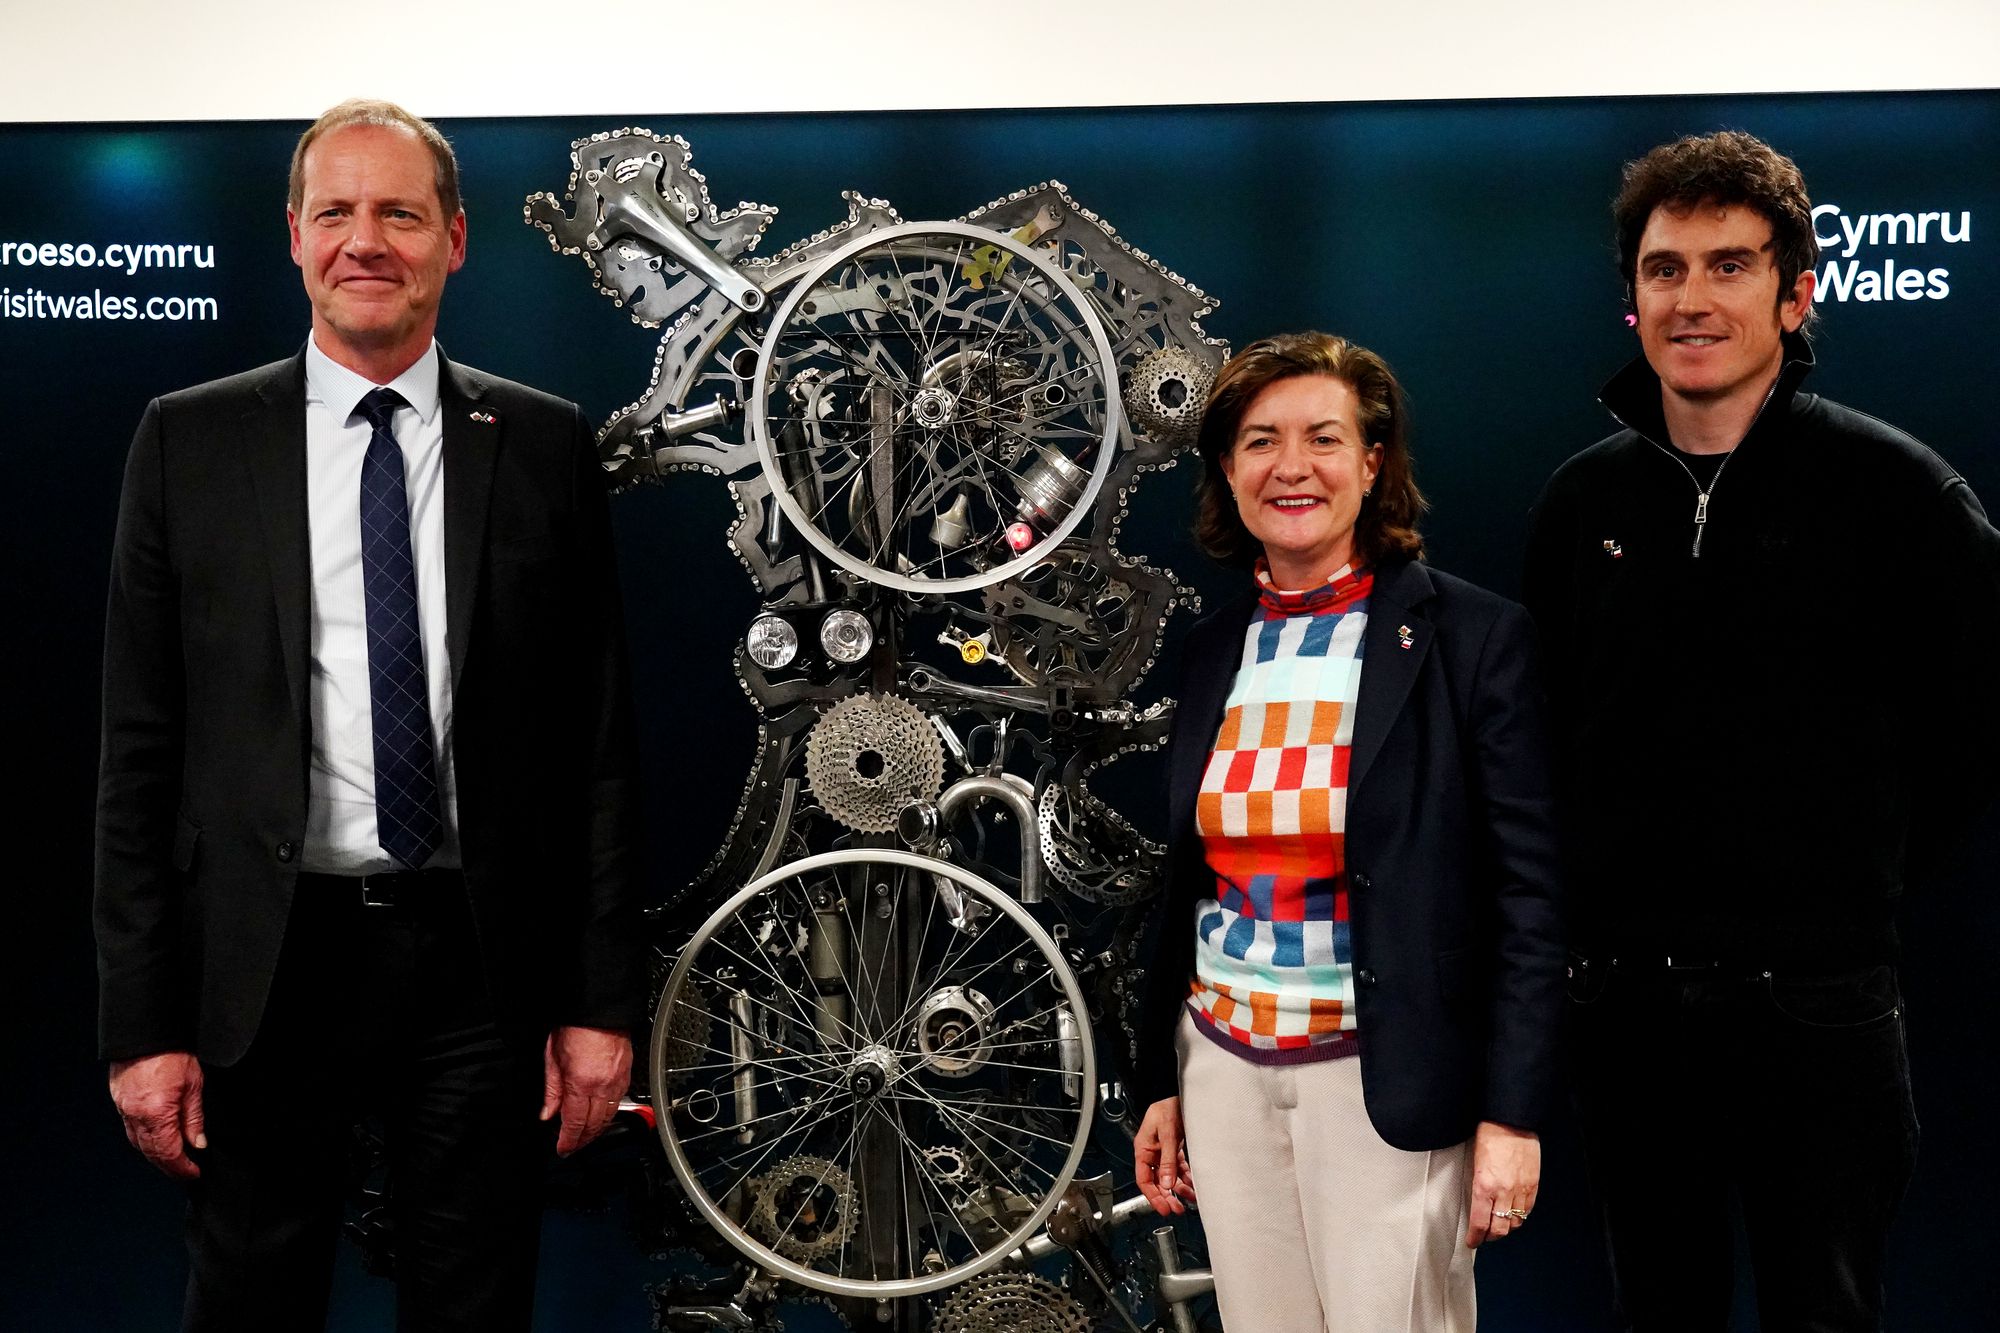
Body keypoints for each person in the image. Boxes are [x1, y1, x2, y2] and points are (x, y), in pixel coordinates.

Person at [94, 99, 644, 1331]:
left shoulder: (542, 441)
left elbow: (597, 749)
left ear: (455, 237)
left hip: (480, 970)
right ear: (294, 235)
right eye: (335, 212)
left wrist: (600, 1004)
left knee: (474, 1309)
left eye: (399, 212)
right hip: (264, 967)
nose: (366, 242)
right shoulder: (189, 441)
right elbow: (137, 759)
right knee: (250, 1306)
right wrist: (141, 1028)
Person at [1523, 130, 2000, 1332]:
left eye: (1727, 266)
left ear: (1794, 295)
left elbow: (1972, 738)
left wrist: (1844, 883)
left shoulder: (1899, 492)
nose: (1691, 298)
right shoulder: (1582, 502)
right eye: (1664, 269)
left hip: (1820, 1012)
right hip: (1625, 1019)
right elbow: (1543, 744)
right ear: (1631, 300)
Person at [1129, 332, 1565, 1332]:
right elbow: (1189, 882)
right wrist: (1163, 1079)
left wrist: (1511, 1113)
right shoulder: (1212, 650)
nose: (1291, 466)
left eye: (1322, 438)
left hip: (1385, 1081)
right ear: (1226, 469)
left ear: (1372, 464)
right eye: (1259, 441)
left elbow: (1530, 897)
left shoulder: (1472, 639)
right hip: (1224, 1074)